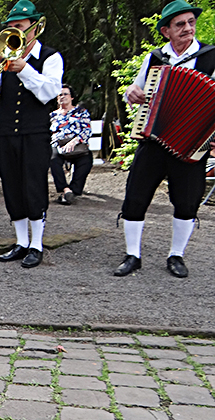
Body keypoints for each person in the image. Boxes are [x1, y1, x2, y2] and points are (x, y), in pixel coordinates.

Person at [114, 0, 215, 278]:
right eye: (180, 24)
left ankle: (176, 255)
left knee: (187, 202)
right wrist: (131, 93)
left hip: (193, 145)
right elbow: (135, 89)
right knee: (135, 197)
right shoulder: (154, 58)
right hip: (154, 139)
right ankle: (132, 255)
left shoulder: (211, 57)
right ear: (165, 31)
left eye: (191, 23)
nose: (188, 28)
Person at [0, 0, 63, 269]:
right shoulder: (3, 59)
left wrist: (24, 68)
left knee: (34, 185)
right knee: (12, 185)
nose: (16, 31)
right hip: (6, 133)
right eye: (11, 27)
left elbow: (49, 93)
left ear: (34, 28)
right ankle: (20, 242)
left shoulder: (50, 57)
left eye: (20, 27)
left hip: (34, 132)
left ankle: (36, 244)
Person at [50, 84, 93, 205]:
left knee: (86, 160)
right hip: (58, 145)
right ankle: (65, 189)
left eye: (65, 94)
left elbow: (87, 131)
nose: (62, 97)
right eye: (59, 95)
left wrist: (73, 142)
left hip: (77, 145)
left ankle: (72, 191)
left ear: (72, 97)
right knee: (53, 158)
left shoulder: (81, 112)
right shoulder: (52, 115)